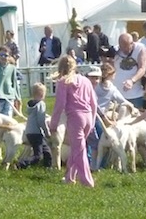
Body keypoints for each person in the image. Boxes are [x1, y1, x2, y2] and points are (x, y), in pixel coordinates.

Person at [49, 55, 97, 187]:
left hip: (76, 118)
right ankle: (70, 177)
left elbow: (59, 105)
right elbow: (94, 103)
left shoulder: (63, 82)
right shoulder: (85, 81)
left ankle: (87, 181)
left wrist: (53, 124)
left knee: (79, 150)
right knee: (77, 149)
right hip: (88, 117)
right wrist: (92, 121)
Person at [16, 82, 52, 169]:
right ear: (42, 94)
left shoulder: (30, 105)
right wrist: (47, 132)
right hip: (36, 132)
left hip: (29, 131)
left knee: (46, 151)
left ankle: (47, 167)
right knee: (38, 156)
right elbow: (41, 120)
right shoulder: (41, 104)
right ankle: (21, 164)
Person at [113, 33, 146, 109]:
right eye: (122, 47)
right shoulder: (115, 50)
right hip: (117, 94)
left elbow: (142, 68)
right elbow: (110, 68)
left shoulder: (140, 48)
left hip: (134, 95)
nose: (124, 50)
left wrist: (132, 81)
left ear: (132, 43)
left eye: (127, 47)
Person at [0, 46, 21, 117]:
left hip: (9, 96)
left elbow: (14, 83)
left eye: (6, 55)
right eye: (1, 55)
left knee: (8, 117)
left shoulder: (12, 68)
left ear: (9, 56)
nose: (3, 57)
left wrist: (18, 97)